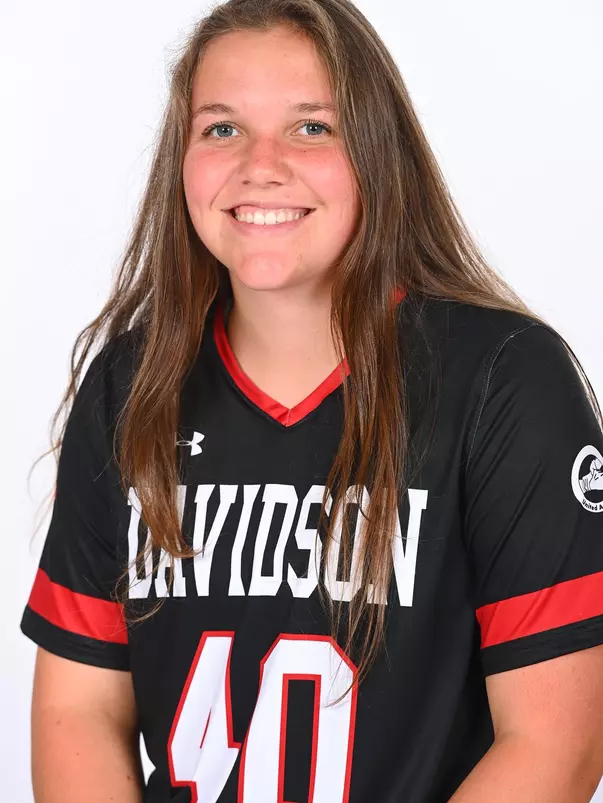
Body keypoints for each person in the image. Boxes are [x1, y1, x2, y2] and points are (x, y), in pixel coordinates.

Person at [20, 0, 603, 801]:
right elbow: (78, 707)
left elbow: (555, 744)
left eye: (311, 128)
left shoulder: (504, 380)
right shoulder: (132, 384)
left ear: (376, 153)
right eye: (221, 128)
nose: (261, 164)